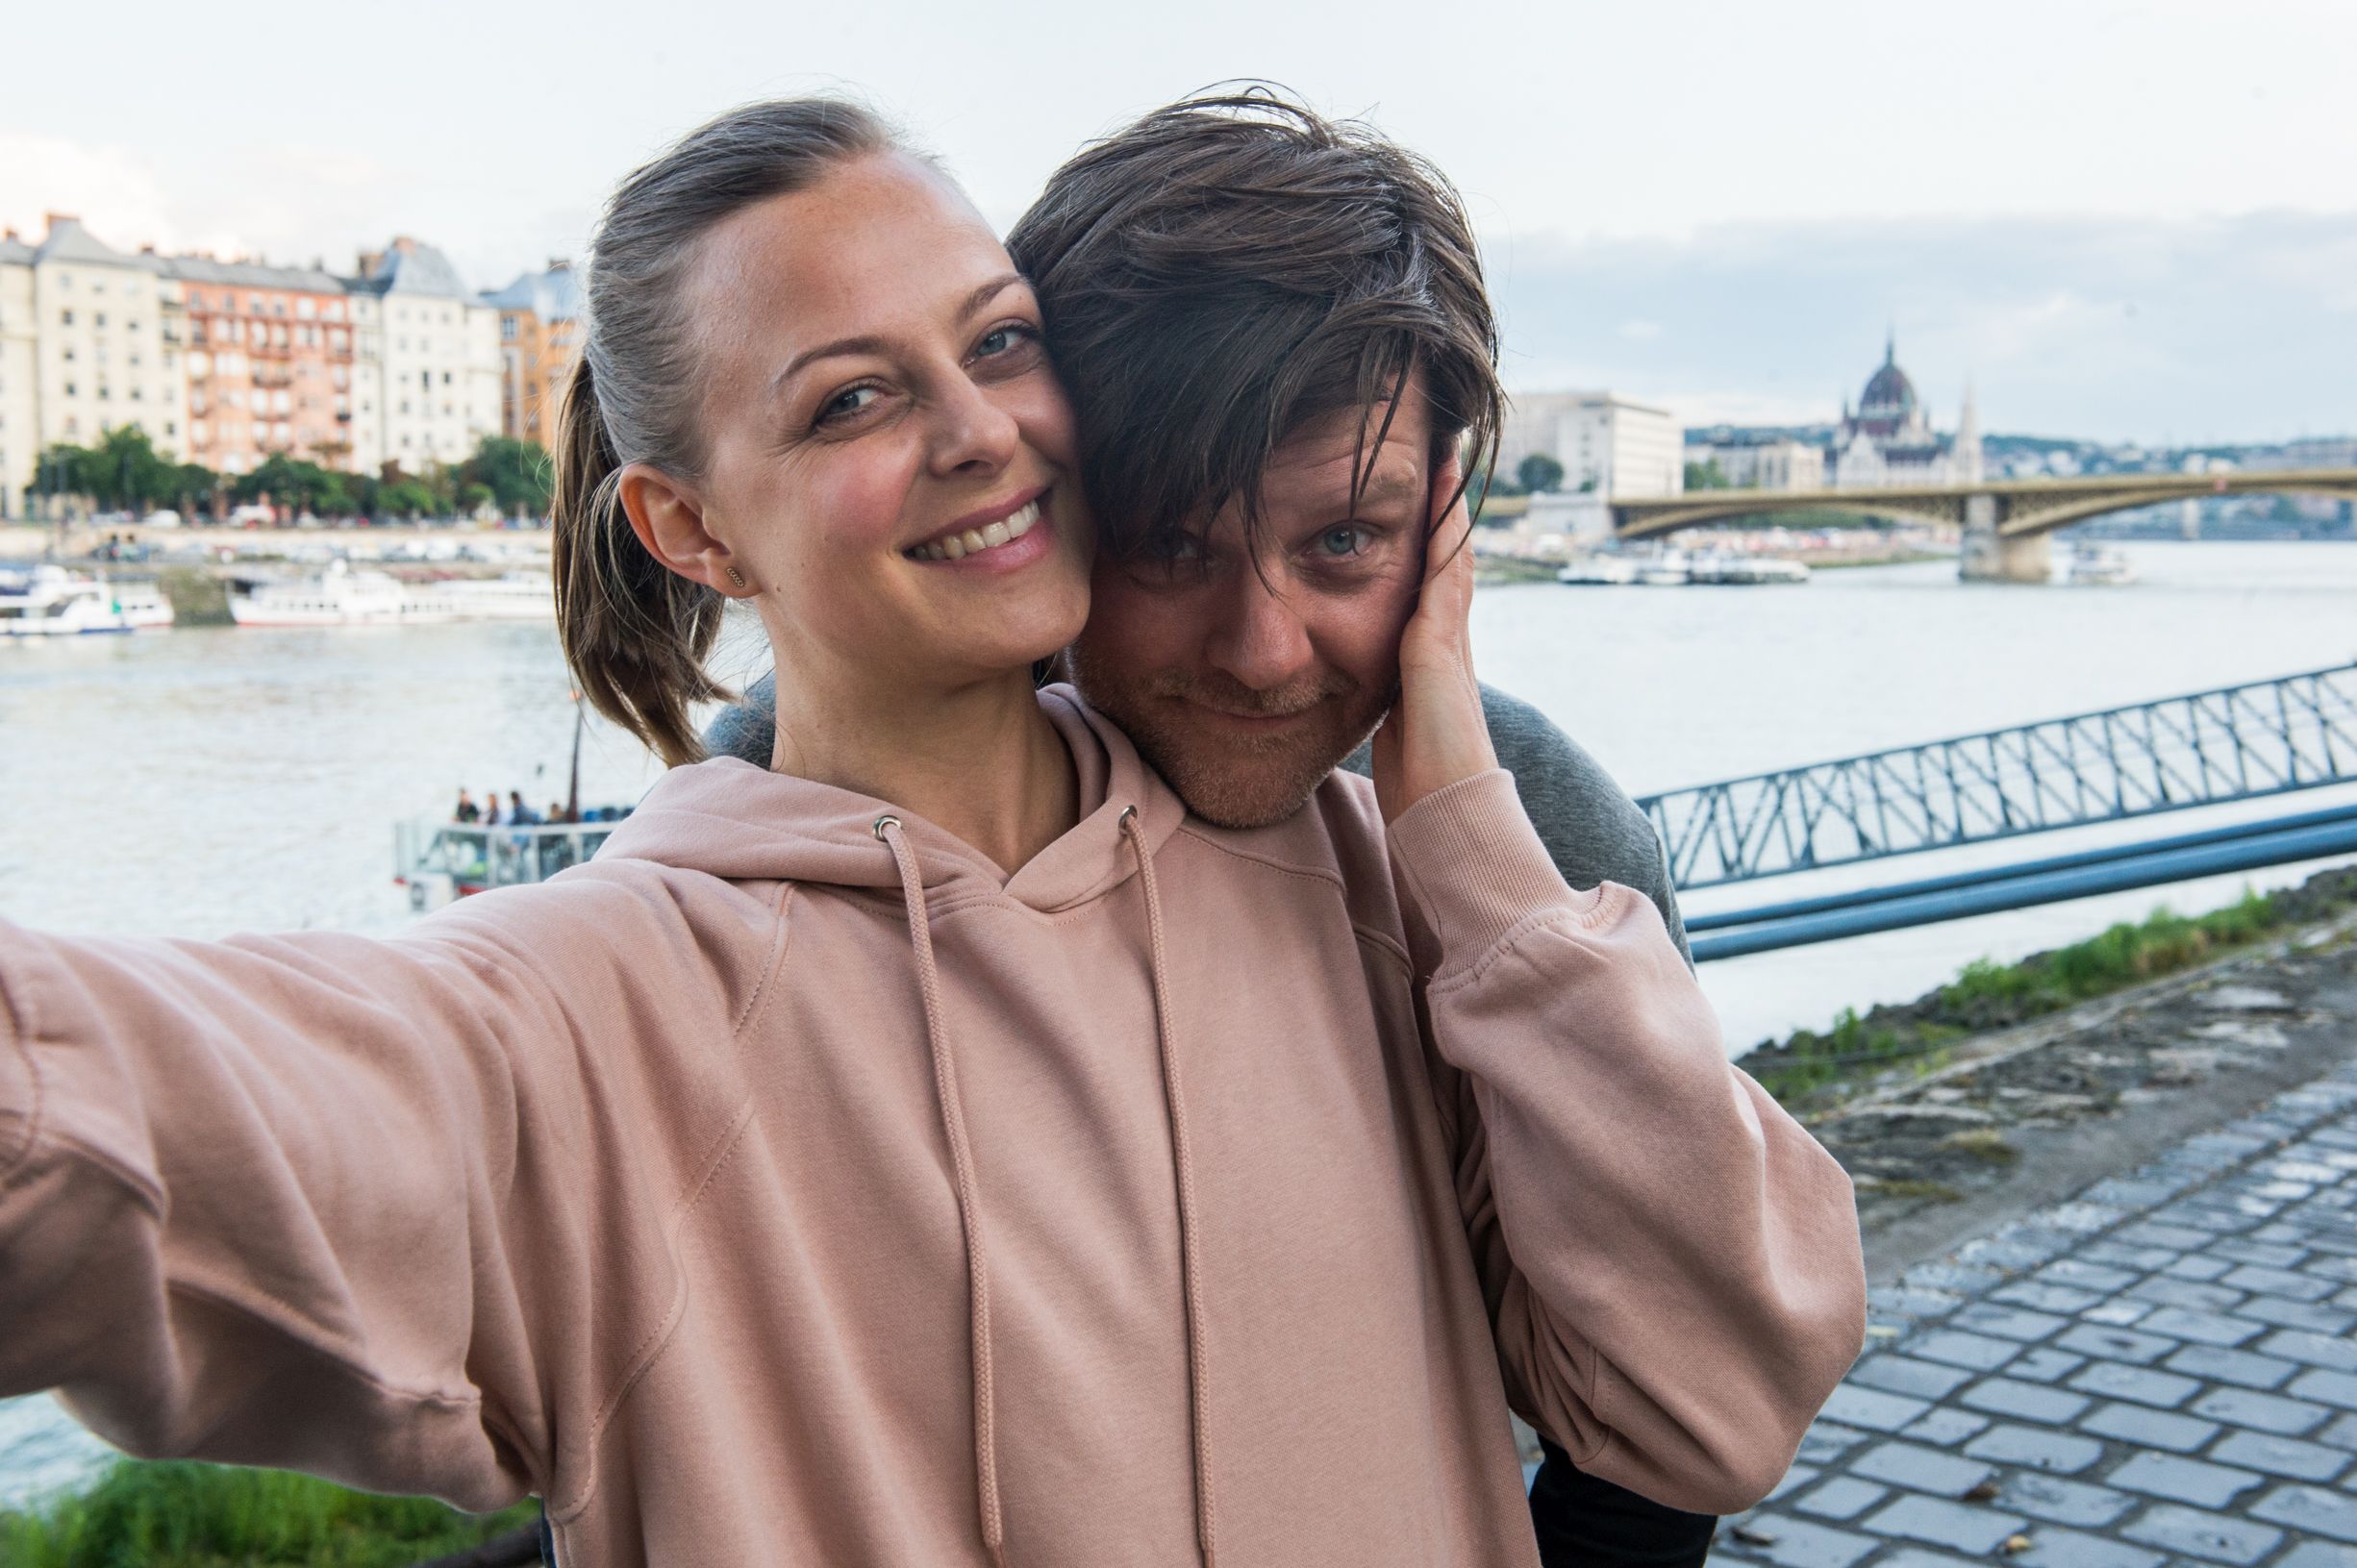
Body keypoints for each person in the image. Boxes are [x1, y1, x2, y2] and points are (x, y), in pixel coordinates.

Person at [0, 97, 1860, 1568]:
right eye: (855, 397)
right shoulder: (602, 1019)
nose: (980, 431)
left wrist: (1467, 825)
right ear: (689, 527)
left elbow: (1708, 1410)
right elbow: (137, 1121)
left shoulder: (1395, 893)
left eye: (999, 344)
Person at [704, 90, 1731, 1564]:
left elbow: (1662, 1419)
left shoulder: (1552, 837)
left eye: (1346, 541)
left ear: (1446, 520)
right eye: (1170, 544)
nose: (1261, 653)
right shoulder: (782, 814)